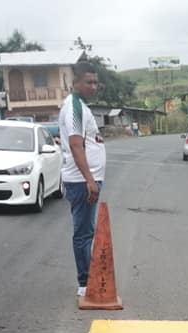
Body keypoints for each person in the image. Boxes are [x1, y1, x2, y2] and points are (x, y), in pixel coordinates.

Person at [58, 62, 106, 297]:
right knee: (84, 233)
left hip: (84, 179)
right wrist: (90, 180)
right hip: (81, 181)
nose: (93, 86)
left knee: (86, 231)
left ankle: (87, 281)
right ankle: (85, 284)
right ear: (75, 82)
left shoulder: (81, 106)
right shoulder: (74, 108)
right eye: (88, 82)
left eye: (96, 82)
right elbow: (76, 146)